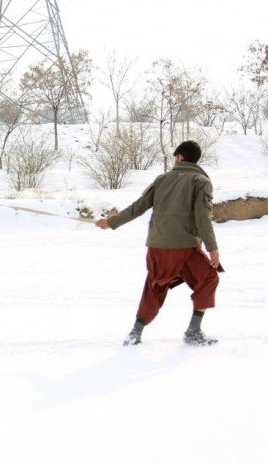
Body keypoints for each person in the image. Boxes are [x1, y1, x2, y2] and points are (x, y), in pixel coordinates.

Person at [95, 140, 223, 346]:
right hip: (185, 247)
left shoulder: (162, 179)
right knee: (208, 279)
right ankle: (193, 331)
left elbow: (138, 207)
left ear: (180, 157)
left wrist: (110, 222)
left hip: (156, 246)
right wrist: (212, 248)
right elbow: (202, 217)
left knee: (155, 285)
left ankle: (135, 333)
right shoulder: (201, 181)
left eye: (175, 157)